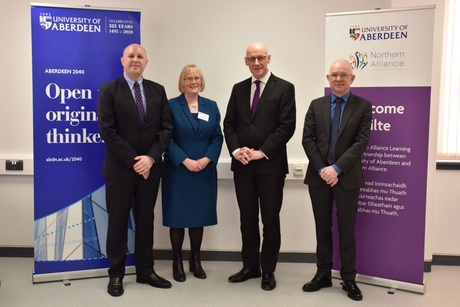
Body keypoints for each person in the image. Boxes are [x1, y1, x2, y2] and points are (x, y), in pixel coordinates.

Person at [97, 43, 173, 297]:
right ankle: (116, 274)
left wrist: (150, 159)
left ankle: (145, 270)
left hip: (149, 170)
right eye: (131, 56)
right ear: (122, 60)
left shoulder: (157, 90)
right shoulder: (109, 90)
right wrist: (135, 160)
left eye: (140, 56)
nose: (135, 59)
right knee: (117, 222)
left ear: (146, 62)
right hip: (120, 169)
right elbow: (107, 131)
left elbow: (166, 129)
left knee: (145, 220)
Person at [223, 42, 296, 291]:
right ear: (245, 61)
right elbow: (229, 124)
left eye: (261, 57)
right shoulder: (238, 88)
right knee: (247, 219)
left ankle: (268, 271)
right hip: (242, 166)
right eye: (251, 58)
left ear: (269, 58)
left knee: (270, 220)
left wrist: (261, 152)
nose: (256, 62)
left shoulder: (285, 88)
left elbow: (287, 126)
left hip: (270, 166)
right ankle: (250, 266)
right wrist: (236, 150)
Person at [301, 59, 372, 301]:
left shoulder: (363, 106)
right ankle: (322, 274)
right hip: (319, 177)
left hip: (347, 177)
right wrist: (323, 169)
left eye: (344, 74)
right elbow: (307, 140)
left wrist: (337, 168)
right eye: (334, 74)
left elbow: (360, 142)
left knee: (346, 229)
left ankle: (349, 278)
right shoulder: (316, 105)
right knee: (322, 227)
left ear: (352, 78)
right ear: (328, 78)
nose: (338, 78)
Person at [162, 64, 223, 282]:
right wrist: (185, 161)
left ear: (201, 80)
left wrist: (206, 159)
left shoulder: (211, 106)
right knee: (177, 218)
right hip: (178, 170)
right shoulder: (170, 106)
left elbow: (218, 136)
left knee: (198, 217)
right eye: (189, 78)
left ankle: (195, 260)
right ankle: (176, 261)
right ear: (182, 82)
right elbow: (165, 138)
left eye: (197, 77)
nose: (193, 81)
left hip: (204, 171)